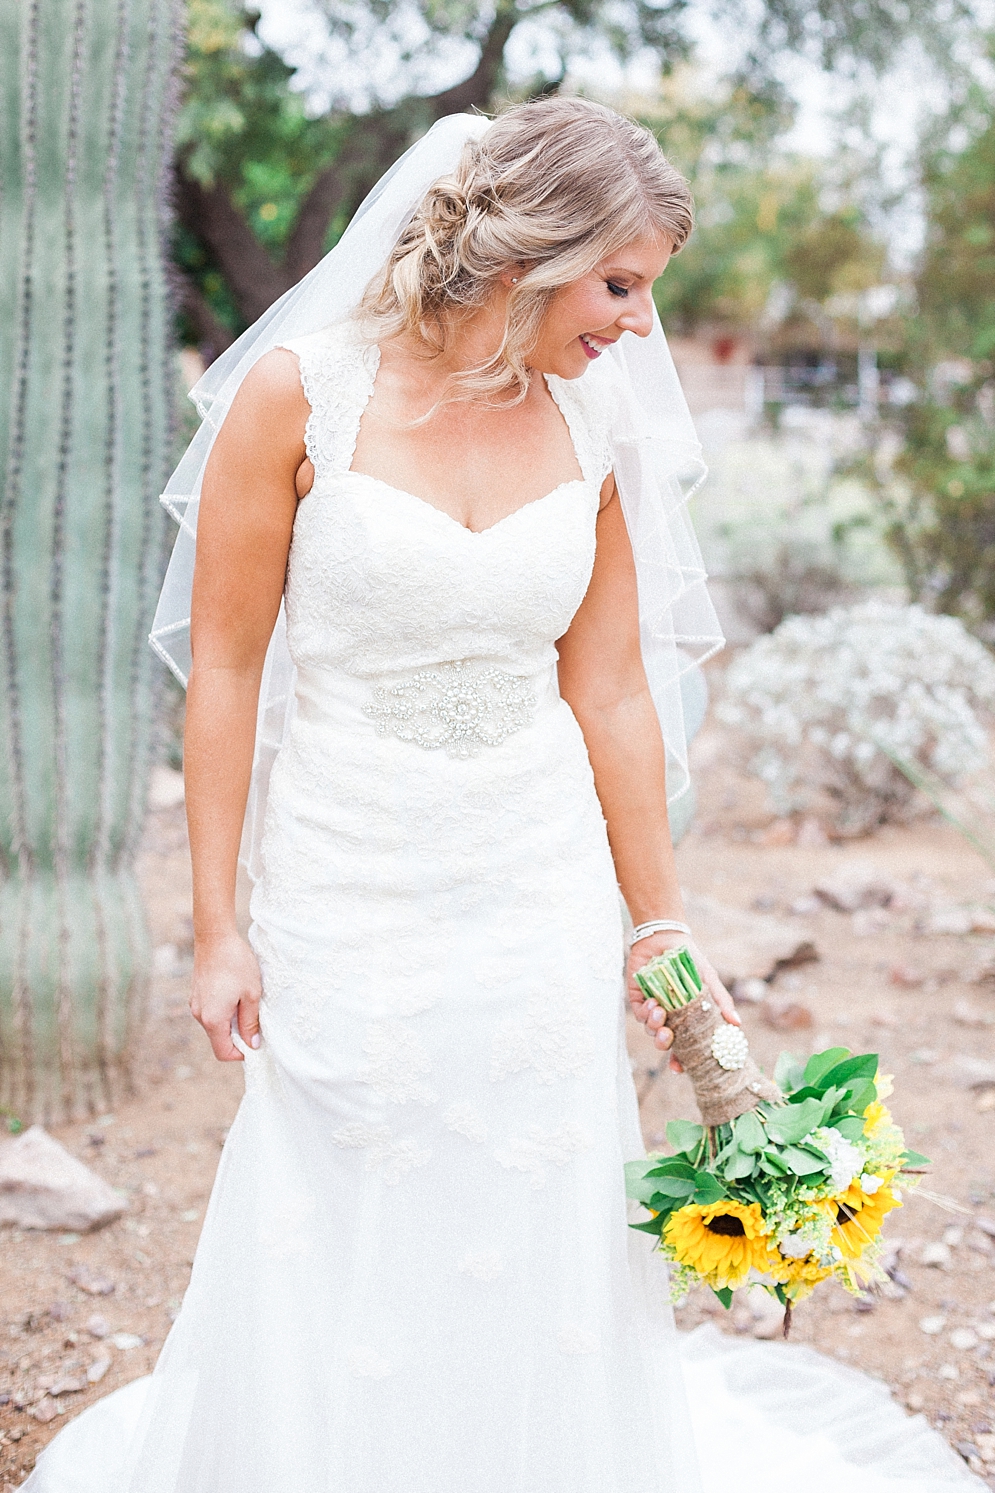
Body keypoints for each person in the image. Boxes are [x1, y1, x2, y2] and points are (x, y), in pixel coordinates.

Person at [25, 97, 978, 1493]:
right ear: (535, 250)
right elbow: (223, 671)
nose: (638, 329)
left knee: (539, 1178)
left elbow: (608, 695)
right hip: (346, 861)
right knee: (337, 1177)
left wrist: (660, 924)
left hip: (535, 872)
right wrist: (217, 922)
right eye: (622, 285)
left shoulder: (596, 431)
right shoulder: (302, 392)